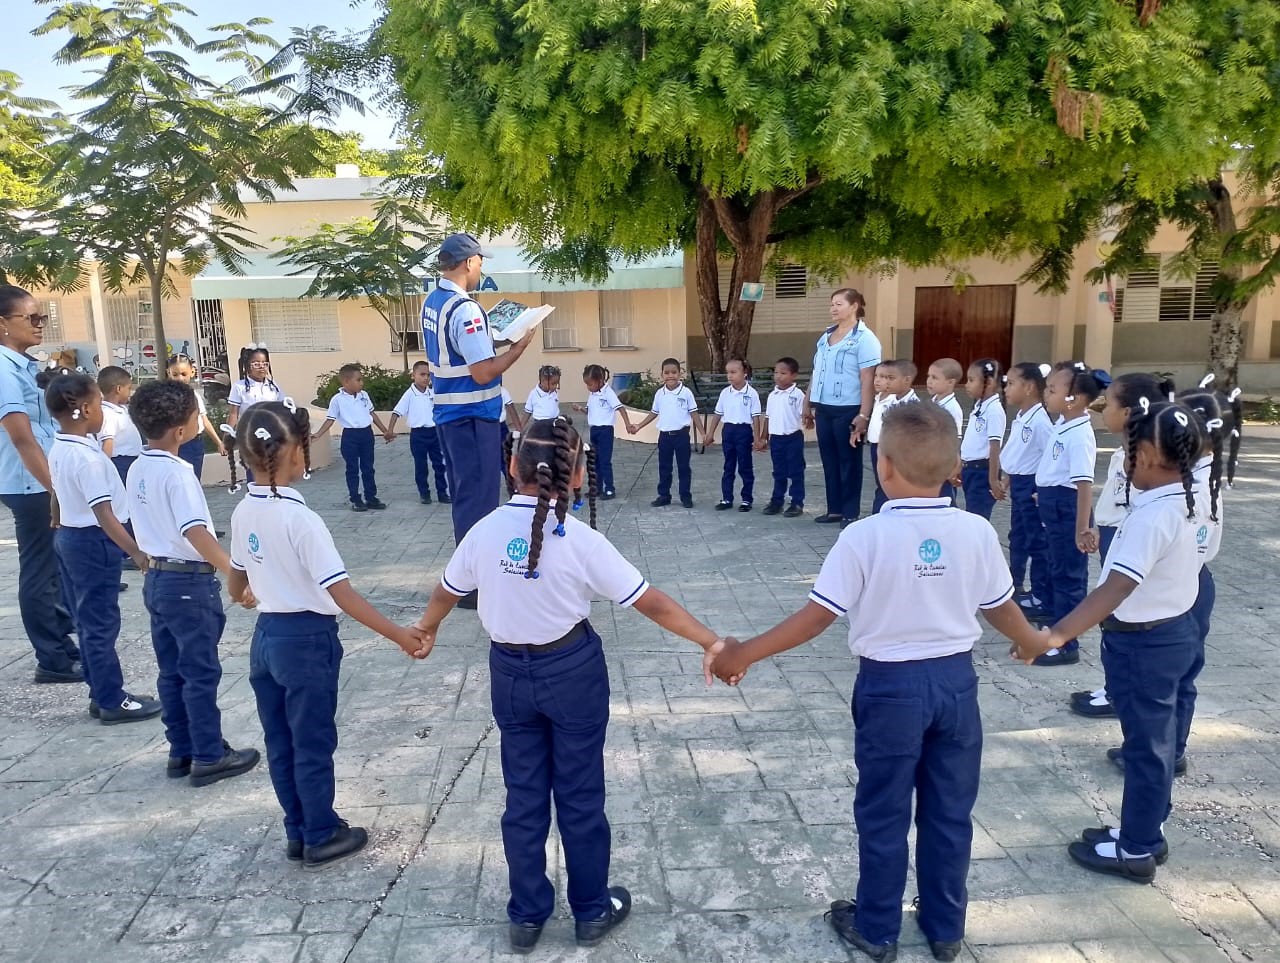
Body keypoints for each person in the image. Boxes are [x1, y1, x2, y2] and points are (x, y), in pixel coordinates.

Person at [709, 402, 1046, 963]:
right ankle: (944, 928)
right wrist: (1033, 640)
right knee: (949, 811)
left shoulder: (863, 537)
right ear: (953, 467)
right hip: (956, 688)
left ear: (883, 466)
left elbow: (817, 617)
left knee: (885, 810)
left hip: (891, 689)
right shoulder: (976, 531)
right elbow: (1002, 609)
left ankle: (879, 926)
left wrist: (743, 652)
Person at [408, 417, 726, 955]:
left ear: (511, 466)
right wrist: (710, 641)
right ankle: (590, 910)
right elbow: (650, 601)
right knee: (580, 797)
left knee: (523, 798)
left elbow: (446, 590)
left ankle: (527, 916)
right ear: (577, 475)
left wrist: (425, 628)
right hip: (572, 673)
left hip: (509, 676)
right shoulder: (580, 539)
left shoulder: (482, 532)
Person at [227, 401, 425, 870]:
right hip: (306, 642)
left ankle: (297, 828)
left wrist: (247, 594)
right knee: (312, 740)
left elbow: (237, 579)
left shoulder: (242, 511)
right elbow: (342, 594)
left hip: (265, 639)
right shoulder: (302, 520)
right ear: (298, 451)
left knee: (281, 740)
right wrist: (400, 634)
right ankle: (320, 833)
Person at [1016, 400, 1204, 883]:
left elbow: (1115, 588)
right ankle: (1146, 832)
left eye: (1127, 452)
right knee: (1154, 743)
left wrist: (1053, 635)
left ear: (1141, 455)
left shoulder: (1150, 517)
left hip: (1146, 644)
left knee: (1146, 748)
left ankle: (1136, 849)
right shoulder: (1185, 494)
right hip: (1172, 631)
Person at [126, 379, 261, 784]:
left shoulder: (137, 466)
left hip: (158, 580)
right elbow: (196, 533)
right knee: (200, 672)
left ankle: (181, 749)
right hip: (188, 585)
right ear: (181, 431)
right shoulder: (179, 473)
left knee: (172, 671)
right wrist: (236, 576)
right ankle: (208, 754)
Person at [1102, 385, 1241, 771]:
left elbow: (1197, 549)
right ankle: (1161, 747)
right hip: (1186, 581)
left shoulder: (1184, 489)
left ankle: (1167, 749)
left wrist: (1060, 631)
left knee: (1176, 679)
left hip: (1182, 586)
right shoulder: (1187, 482)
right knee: (1176, 677)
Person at [421, 232, 535, 609]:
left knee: (466, 497)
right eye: (480, 261)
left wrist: (496, 340)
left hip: (451, 416)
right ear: (469, 262)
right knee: (480, 502)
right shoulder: (465, 308)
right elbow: (484, 372)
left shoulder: (433, 302)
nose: (481, 267)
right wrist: (519, 348)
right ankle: (471, 586)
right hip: (474, 418)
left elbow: (462, 356)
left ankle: (467, 580)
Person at [44, 373, 162, 724]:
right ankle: (112, 699)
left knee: (85, 621)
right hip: (92, 543)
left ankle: (100, 693)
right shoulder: (90, 459)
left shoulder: (62, 445)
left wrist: (56, 519)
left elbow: (56, 491)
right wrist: (136, 553)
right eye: (97, 404)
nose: (101, 412)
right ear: (83, 409)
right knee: (100, 624)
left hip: (68, 537)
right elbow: (106, 516)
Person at [1070, 373, 1175, 718]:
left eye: (1110, 404)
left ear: (1129, 412)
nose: (1103, 409)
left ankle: (1118, 693)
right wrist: (1097, 525)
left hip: (1129, 540)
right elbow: (1117, 500)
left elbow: (1137, 509)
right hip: (1114, 534)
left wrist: (1057, 635)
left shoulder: (1144, 456)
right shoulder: (1123, 450)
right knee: (1113, 620)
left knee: (1118, 616)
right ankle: (1114, 687)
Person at [0, 285, 80, 683]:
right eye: (30, 318)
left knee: (55, 567)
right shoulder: (2, 370)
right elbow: (21, 438)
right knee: (40, 569)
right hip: (31, 485)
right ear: (3, 324)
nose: (39, 324)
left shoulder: (24, 365)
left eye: (42, 316)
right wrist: (55, 490)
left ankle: (62, 645)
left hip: (43, 480)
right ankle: (52, 658)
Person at [1033, 362, 1103, 667]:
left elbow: (1083, 484)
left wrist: (1081, 529)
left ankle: (1066, 643)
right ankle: (1057, 630)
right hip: (1054, 503)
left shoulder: (1079, 434)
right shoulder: (1064, 424)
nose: (1045, 394)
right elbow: (1057, 469)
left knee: (1067, 575)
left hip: (1068, 509)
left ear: (1072, 398)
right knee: (1056, 568)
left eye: (1051, 390)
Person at [803, 289, 882, 527]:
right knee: (829, 459)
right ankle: (834, 509)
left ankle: (850, 512)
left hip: (849, 408)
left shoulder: (865, 338)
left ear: (855, 306)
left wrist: (863, 415)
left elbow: (867, 379)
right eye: (831, 305)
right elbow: (817, 373)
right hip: (825, 408)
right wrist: (807, 403)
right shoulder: (826, 336)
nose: (833, 309)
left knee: (849, 461)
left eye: (839, 304)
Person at [996, 363, 1053, 620]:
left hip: (1032, 486)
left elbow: (1049, 457)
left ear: (1029, 387)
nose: (1005, 389)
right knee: (1018, 535)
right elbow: (1018, 453)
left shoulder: (1040, 421)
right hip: (1019, 483)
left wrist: (1042, 489)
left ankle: (1040, 595)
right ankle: (1015, 585)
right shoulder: (1022, 416)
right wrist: (1007, 478)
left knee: (1036, 541)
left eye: (1010, 384)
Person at [312, 363, 391, 512]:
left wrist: (385, 431)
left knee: (368, 468)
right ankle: (355, 499)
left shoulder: (364, 395)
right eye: (358, 380)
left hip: (366, 434)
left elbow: (372, 414)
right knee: (352, 468)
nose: (362, 383)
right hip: (350, 436)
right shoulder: (337, 400)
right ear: (346, 382)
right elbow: (330, 419)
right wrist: (318, 434)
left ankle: (371, 497)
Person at [629, 358, 699, 508]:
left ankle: (685, 496)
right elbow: (654, 413)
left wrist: (703, 433)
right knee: (664, 467)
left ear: (679, 374)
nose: (670, 376)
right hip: (665, 437)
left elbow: (694, 413)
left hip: (681, 436)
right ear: (662, 375)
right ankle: (664, 495)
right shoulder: (660, 394)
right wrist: (639, 426)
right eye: (666, 373)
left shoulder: (686, 393)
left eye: (674, 372)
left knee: (684, 467)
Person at [387, 360, 451, 506]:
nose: (425, 378)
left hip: (435, 433)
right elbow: (396, 412)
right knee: (421, 466)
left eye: (428, 375)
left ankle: (442, 492)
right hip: (418, 435)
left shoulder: (432, 393)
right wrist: (390, 430)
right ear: (413, 375)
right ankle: (424, 493)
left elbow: (442, 410)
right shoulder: (409, 395)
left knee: (439, 465)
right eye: (422, 374)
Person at [703, 358, 762, 512]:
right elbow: (717, 414)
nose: (730, 376)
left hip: (743, 431)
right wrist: (710, 434)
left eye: (734, 372)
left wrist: (757, 438)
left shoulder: (752, 393)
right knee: (728, 466)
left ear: (744, 373)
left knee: (745, 467)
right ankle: (727, 498)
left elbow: (756, 417)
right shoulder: (725, 393)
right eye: (728, 372)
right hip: (728, 431)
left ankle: (746, 499)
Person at [573, 364, 632, 500]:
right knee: (595, 461)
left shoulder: (608, 393)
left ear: (600, 381)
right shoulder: (592, 394)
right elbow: (589, 411)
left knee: (605, 461)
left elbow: (620, 408)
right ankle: (597, 488)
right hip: (594, 430)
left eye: (590, 384)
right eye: (586, 384)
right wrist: (580, 409)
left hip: (605, 431)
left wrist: (628, 424)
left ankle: (610, 489)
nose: (588, 387)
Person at [867, 360, 918, 515]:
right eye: (878, 376)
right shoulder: (885, 398)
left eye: (890, 378)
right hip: (877, 446)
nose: (881, 381)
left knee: (890, 483)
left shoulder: (911, 404)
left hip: (895, 450)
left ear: (906, 380)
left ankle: (883, 514)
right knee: (881, 482)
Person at [758, 357, 806, 518]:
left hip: (793, 438)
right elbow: (768, 417)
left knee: (796, 471)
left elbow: (804, 414)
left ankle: (796, 502)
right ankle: (777, 501)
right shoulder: (773, 395)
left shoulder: (798, 395)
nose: (778, 376)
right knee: (779, 471)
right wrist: (763, 437)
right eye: (776, 372)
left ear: (794, 375)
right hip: (776, 439)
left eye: (783, 373)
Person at [959, 359, 1006, 520]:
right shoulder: (980, 405)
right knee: (972, 513)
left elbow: (994, 447)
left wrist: (993, 479)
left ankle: (979, 545)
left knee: (978, 517)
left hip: (982, 472)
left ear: (990, 382)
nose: (967, 384)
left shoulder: (993, 410)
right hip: (970, 470)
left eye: (971, 380)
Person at [166, 354, 225, 479]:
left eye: (183, 374)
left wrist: (219, 442)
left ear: (192, 372)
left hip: (195, 444)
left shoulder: (195, 396)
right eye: (175, 374)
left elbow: (204, 420)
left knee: (194, 479)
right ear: (168, 373)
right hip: (177, 444)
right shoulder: (167, 397)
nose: (180, 379)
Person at [927, 358, 964, 504]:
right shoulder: (931, 403)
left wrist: (954, 466)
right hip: (929, 461)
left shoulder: (952, 408)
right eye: (928, 376)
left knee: (944, 499)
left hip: (943, 463)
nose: (929, 381)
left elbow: (954, 438)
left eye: (934, 378)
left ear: (951, 382)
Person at [97, 366, 142, 484]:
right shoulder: (107, 413)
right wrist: (105, 471)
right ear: (118, 389)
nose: (129, 392)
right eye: (128, 388)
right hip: (120, 462)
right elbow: (108, 442)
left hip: (132, 461)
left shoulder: (121, 409)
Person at [227, 345, 286, 428]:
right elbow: (233, 414)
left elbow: (283, 409)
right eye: (256, 364)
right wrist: (227, 435)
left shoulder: (273, 386)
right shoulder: (239, 386)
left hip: (272, 432)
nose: (262, 366)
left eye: (265, 363)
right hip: (249, 433)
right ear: (248, 366)